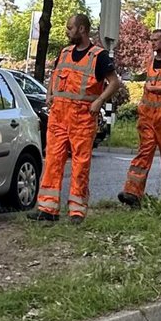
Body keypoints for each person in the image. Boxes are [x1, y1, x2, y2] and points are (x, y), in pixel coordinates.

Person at [35, 12, 121, 221]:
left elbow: (115, 83)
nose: (67, 31)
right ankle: (48, 209)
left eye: (70, 28)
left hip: (82, 117)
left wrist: (99, 101)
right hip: (58, 117)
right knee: (53, 161)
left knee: (80, 164)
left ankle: (77, 210)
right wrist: (49, 94)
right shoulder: (64, 53)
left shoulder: (98, 56)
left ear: (81, 29)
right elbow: (54, 76)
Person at [119, 27, 161, 204]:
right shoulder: (149, 62)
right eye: (151, 40)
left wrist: (155, 88)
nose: (153, 43)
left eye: (156, 40)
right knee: (143, 152)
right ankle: (132, 193)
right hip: (147, 116)